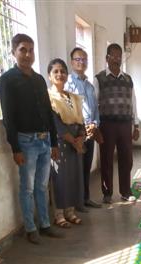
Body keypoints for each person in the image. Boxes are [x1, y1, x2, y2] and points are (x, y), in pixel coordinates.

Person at [0, 34, 62, 244]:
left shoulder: (39, 79)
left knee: (42, 187)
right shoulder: (7, 80)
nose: (27, 54)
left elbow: (47, 112)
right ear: (13, 52)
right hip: (25, 142)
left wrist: (53, 142)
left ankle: (45, 224)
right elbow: (8, 116)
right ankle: (30, 228)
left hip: (44, 141)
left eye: (30, 50)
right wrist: (15, 148)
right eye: (22, 50)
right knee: (27, 187)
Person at [93, 43, 140, 204]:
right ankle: (107, 193)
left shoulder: (128, 79)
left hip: (125, 125)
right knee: (106, 159)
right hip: (107, 125)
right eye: (113, 56)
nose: (117, 59)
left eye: (119, 56)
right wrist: (95, 127)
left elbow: (133, 102)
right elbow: (94, 104)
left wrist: (137, 125)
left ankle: (126, 191)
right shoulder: (99, 78)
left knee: (127, 158)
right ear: (107, 58)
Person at [48, 58, 86, 227]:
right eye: (55, 71)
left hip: (75, 142)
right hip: (60, 143)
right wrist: (73, 141)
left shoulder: (73, 97)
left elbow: (80, 120)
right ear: (50, 76)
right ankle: (59, 215)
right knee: (59, 178)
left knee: (73, 177)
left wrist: (81, 137)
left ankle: (70, 212)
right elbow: (56, 124)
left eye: (62, 71)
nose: (59, 74)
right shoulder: (49, 97)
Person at [66, 47, 102, 209]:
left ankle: (86, 198)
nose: (81, 62)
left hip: (90, 132)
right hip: (76, 132)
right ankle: (76, 202)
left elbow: (95, 109)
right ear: (72, 62)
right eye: (78, 59)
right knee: (76, 168)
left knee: (86, 166)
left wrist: (95, 124)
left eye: (84, 59)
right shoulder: (67, 84)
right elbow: (67, 110)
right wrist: (80, 128)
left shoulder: (90, 86)